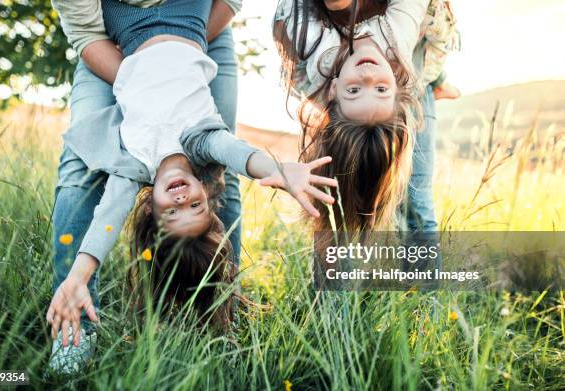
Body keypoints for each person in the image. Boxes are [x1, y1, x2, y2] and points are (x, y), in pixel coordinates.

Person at [47, 0, 338, 375]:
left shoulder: (133, 164)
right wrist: (280, 171)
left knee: (80, 171)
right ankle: (222, 311)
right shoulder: (202, 141)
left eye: (172, 211)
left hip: (126, 28)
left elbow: (108, 218)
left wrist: (78, 276)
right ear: (206, 196)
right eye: (195, 208)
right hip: (189, 16)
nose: (182, 199)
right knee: (230, 176)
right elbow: (240, 155)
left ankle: (86, 324)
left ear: (149, 206)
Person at [273, 0, 428, 232]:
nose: (368, 75)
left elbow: (295, 9)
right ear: (396, 86)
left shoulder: (320, 56)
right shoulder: (398, 41)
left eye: (354, 91)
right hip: (425, 42)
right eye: (381, 90)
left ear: (334, 89)